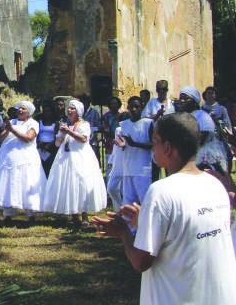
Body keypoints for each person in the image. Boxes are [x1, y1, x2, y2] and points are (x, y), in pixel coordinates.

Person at [92, 113, 236, 305]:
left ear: (167, 148)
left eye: (155, 142)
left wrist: (123, 232)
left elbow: (141, 261)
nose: (152, 148)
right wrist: (144, 221)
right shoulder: (215, 185)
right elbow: (188, 230)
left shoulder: (161, 191)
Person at [43, 99, 107, 227]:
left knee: (81, 183)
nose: (69, 110)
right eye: (69, 108)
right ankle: (74, 215)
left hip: (80, 156)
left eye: (72, 108)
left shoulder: (84, 124)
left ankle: (84, 215)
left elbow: (84, 139)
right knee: (68, 183)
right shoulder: (65, 124)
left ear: (78, 112)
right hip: (66, 157)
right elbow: (57, 144)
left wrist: (69, 132)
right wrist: (61, 134)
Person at [0, 101, 46, 222]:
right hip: (9, 158)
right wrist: (7, 129)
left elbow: (28, 138)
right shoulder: (11, 122)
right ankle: (8, 213)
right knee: (9, 182)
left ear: (29, 112)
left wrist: (13, 130)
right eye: (19, 108)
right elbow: (1, 138)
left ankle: (30, 213)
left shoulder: (33, 123)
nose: (20, 110)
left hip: (26, 158)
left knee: (27, 181)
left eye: (23, 109)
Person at [179, 86, 228, 174]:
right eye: (181, 98)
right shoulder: (185, 116)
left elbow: (203, 137)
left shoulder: (202, 115)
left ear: (194, 101)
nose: (182, 101)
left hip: (206, 160)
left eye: (186, 99)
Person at [115, 97, 153, 205]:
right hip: (128, 168)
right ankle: (129, 222)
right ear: (128, 108)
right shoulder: (124, 124)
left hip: (142, 169)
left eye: (137, 107)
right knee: (128, 202)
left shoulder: (148, 123)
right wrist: (122, 145)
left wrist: (135, 144)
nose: (134, 109)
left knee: (144, 201)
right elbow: (123, 143)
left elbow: (153, 144)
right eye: (132, 107)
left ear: (142, 108)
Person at [37, 100, 58, 177]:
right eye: (45, 111)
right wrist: (39, 143)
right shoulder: (40, 122)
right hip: (40, 147)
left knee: (49, 169)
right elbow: (37, 134)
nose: (47, 113)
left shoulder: (56, 123)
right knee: (40, 169)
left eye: (48, 111)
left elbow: (57, 136)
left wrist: (49, 145)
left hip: (51, 148)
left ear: (52, 112)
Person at [81, 95, 101, 163]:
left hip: (93, 140)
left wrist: (92, 131)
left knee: (93, 161)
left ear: (89, 102)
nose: (83, 104)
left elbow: (98, 125)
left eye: (85, 102)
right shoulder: (79, 113)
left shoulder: (94, 112)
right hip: (81, 140)